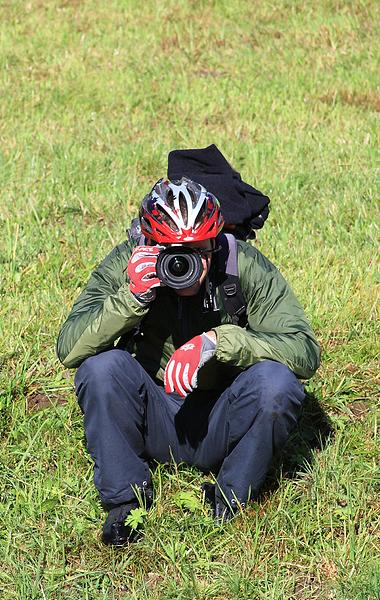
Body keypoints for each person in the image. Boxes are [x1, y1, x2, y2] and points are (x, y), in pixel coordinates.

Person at [57, 176, 320, 546]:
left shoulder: (239, 264)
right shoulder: (127, 262)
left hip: (223, 415)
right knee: (100, 370)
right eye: (172, 252)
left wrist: (220, 341)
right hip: (154, 411)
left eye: (198, 250)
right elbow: (69, 349)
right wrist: (131, 298)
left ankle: (231, 496)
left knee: (277, 384)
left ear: (214, 242)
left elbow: (304, 351)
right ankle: (125, 504)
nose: (185, 264)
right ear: (149, 244)